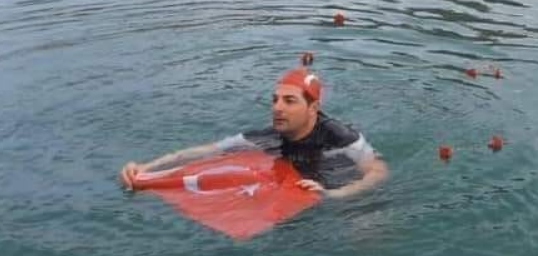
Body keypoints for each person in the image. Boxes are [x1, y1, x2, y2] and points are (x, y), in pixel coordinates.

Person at [120, 68, 389, 199]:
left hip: (338, 182)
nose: (277, 108)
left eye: (289, 101)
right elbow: (206, 151)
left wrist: (335, 195)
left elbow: (378, 172)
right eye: (275, 100)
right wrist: (146, 167)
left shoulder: (341, 137)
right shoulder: (267, 136)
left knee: (367, 224)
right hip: (294, 186)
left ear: (313, 108)